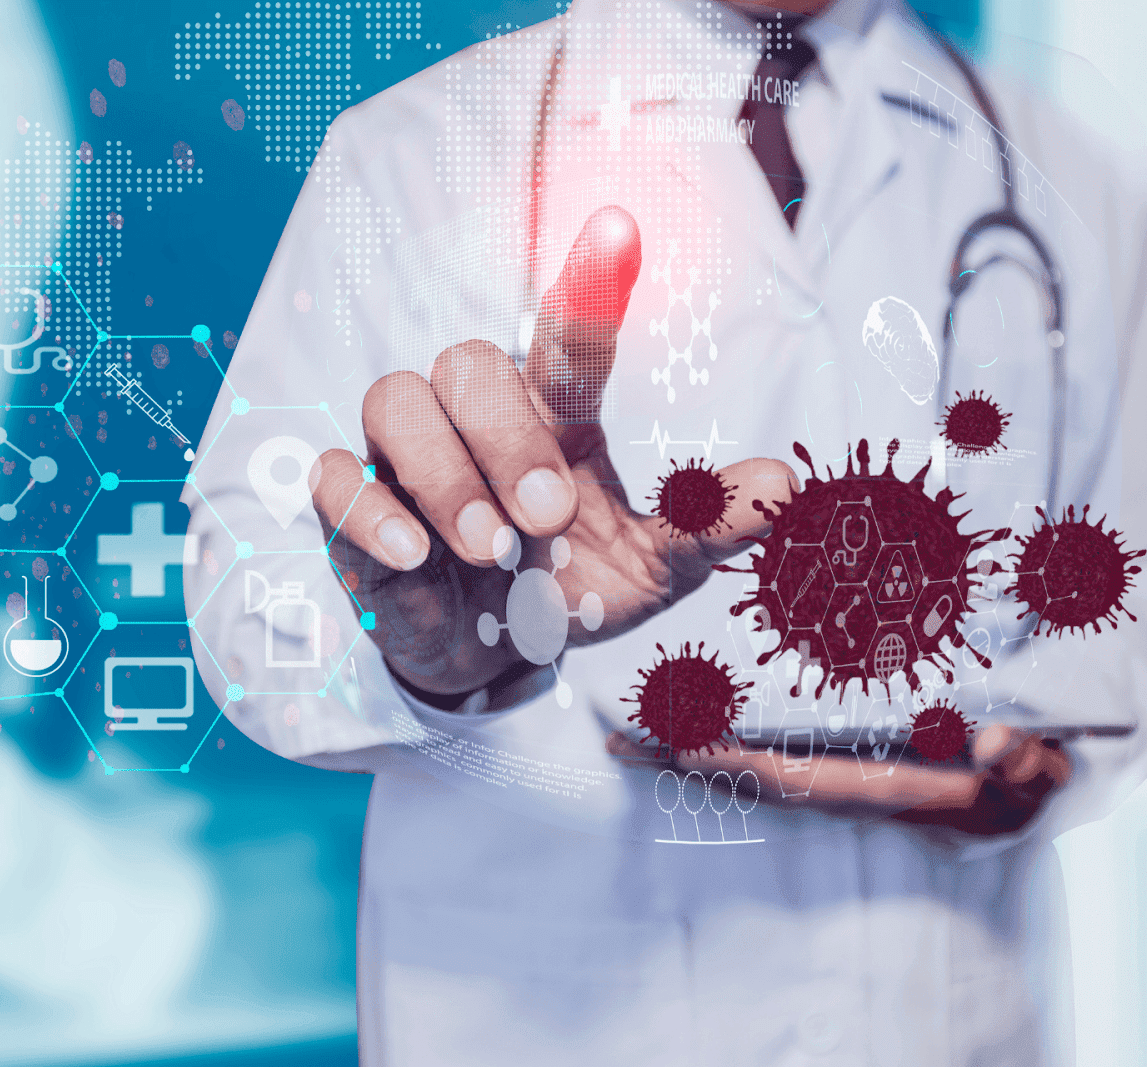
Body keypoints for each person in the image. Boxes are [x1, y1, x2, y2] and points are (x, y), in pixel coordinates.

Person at [183, 0, 1147, 1062]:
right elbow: (246, 608)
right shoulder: (410, 153)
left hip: (950, 1016)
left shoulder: (1066, 174)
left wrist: (1042, 751)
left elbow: (1122, 609)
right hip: (553, 1018)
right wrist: (435, 657)